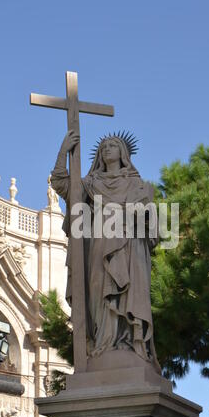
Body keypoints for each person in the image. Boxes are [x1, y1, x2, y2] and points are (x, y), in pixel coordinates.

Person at [51, 130, 161, 373]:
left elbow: (153, 226)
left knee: (131, 292)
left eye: (113, 145)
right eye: (104, 147)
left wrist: (144, 213)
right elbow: (60, 181)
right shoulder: (90, 184)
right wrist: (63, 150)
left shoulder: (137, 184)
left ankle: (133, 344)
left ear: (123, 153)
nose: (108, 149)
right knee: (100, 293)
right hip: (100, 243)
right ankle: (104, 342)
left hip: (131, 244)